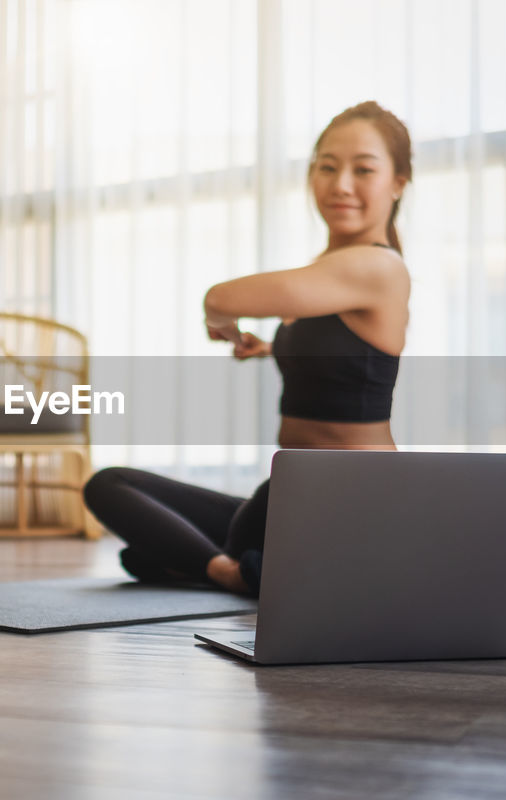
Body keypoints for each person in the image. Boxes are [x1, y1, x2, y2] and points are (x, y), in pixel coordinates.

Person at [82, 101, 413, 595]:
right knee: (112, 488)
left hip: (352, 503)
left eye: (363, 169)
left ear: (398, 183)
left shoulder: (378, 266)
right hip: (291, 495)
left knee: (161, 542)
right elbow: (348, 359)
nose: (341, 184)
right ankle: (237, 564)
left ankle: (224, 572)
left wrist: (220, 317)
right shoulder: (330, 269)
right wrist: (268, 346)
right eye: (327, 167)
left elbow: (222, 297)